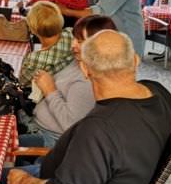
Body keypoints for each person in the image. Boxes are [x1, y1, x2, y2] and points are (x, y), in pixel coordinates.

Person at [3, 30, 171, 184]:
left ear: (85, 69)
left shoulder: (100, 128)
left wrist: (24, 182)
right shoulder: (157, 93)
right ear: (135, 60)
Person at [18, 15, 116, 148]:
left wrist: (50, 90)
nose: (73, 45)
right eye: (74, 38)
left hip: (51, 139)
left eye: (80, 41)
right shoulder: (79, 61)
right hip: (37, 125)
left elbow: (69, 124)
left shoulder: (87, 81)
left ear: (99, 45)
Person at [19, 1, 74, 88]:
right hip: (69, 85)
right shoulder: (71, 34)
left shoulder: (34, 58)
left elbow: (22, 82)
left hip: (44, 96)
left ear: (33, 29)